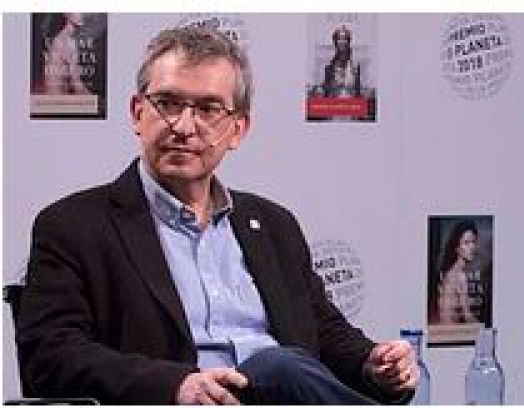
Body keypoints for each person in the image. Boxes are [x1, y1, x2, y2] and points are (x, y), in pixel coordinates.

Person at [16, 26, 418, 405]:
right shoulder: (74, 226)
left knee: (283, 367)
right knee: (279, 365)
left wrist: (372, 363)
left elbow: (322, 331)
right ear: (138, 113)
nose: (184, 126)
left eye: (208, 109)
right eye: (167, 103)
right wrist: (176, 385)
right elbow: (51, 355)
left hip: (286, 394)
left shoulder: (273, 225)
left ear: (238, 129)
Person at [436, 221, 479, 325]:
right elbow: (468, 317)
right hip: (451, 331)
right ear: (457, 248)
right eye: (466, 243)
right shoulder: (459, 276)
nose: (472, 247)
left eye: (473, 242)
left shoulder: (450, 272)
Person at [42, 13, 90, 95]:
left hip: (56, 95)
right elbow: (76, 83)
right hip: (57, 97)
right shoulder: (67, 42)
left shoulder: (62, 38)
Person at [322, 25, 361, 97]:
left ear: (348, 42)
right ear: (335, 42)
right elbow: (326, 93)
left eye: (345, 39)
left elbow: (358, 93)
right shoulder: (329, 67)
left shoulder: (355, 66)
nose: (342, 42)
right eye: (339, 39)